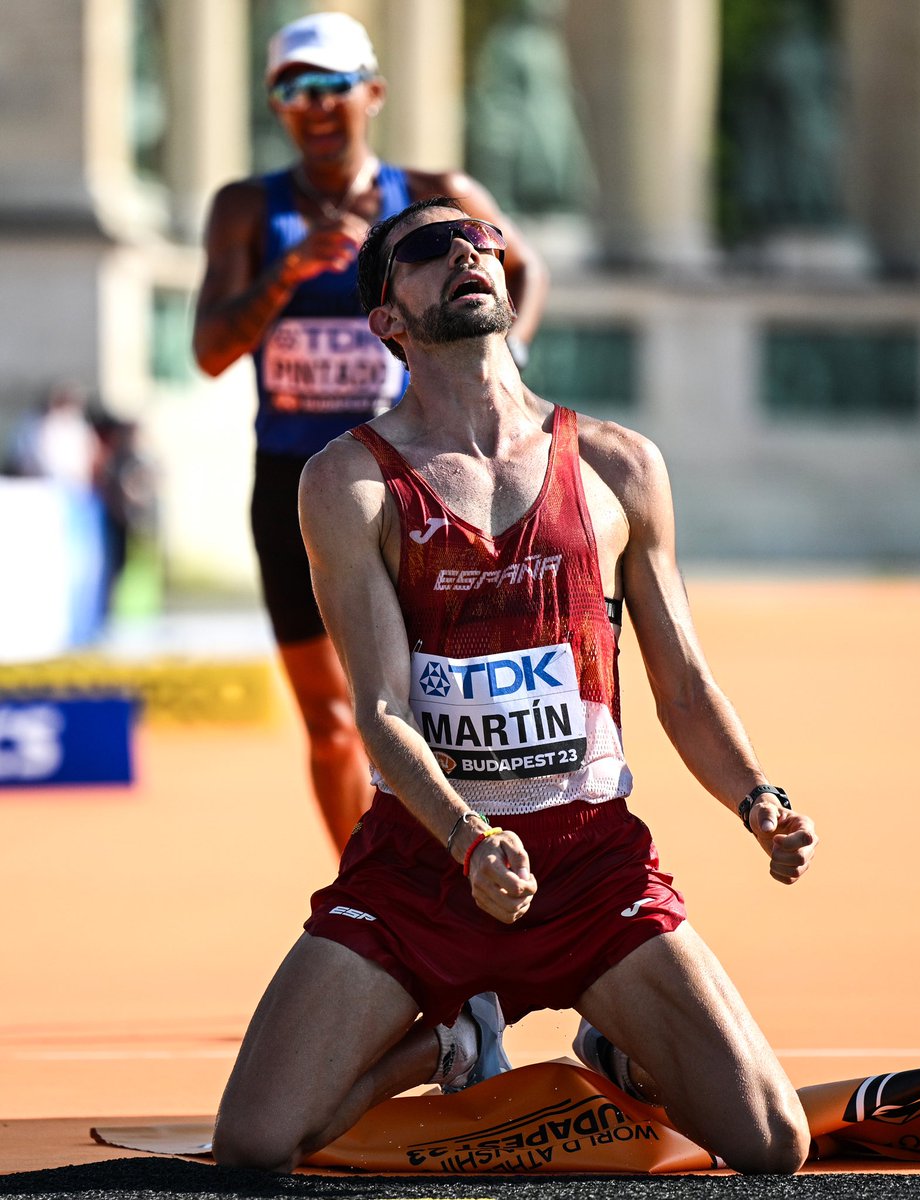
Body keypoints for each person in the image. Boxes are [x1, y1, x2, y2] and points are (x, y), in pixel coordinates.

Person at [212, 197, 819, 1176]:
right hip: (423, 870)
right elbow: (378, 711)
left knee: (771, 1143)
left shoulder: (619, 465)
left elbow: (684, 684)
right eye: (427, 247)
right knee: (254, 1147)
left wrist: (760, 800)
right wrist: (468, 837)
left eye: (482, 239)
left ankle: (615, 1039)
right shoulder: (350, 482)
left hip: (591, 873)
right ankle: (448, 1038)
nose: (466, 251)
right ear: (388, 320)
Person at [192, 13, 548, 851]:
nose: (313, 106)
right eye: (292, 89)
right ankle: (373, 893)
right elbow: (210, 351)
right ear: (277, 105)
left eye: (331, 87)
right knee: (331, 718)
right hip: (295, 481)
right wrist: (287, 271)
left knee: (440, 703)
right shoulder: (250, 210)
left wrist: (509, 353)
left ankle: (468, 873)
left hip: (419, 474)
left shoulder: (430, 195)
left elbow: (520, 266)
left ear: (373, 93)